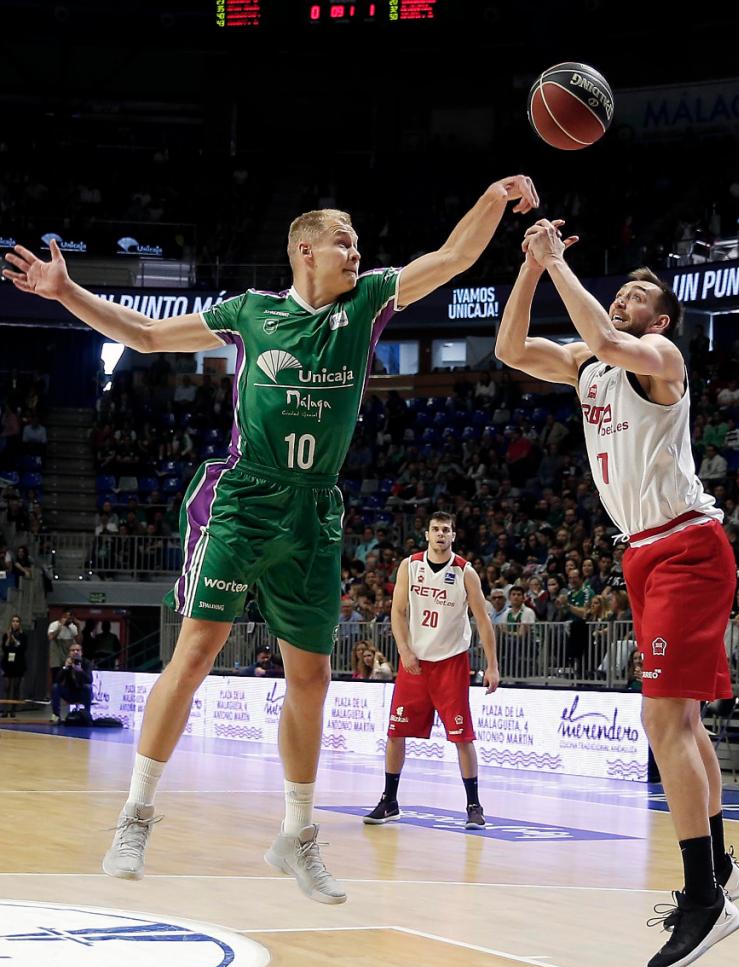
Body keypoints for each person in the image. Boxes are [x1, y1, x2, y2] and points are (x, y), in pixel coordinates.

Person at [4, 173, 539, 903]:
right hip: (244, 499)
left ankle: (296, 833)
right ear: (304, 251)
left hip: (313, 509)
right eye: (342, 243)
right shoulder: (250, 311)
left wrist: (491, 198)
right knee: (192, 655)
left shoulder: (368, 304)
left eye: (357, 243)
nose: (356, 253)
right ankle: (135, 814)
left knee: (311, 679)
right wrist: (66, 292)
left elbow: (448, 258)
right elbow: (151, 335)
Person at [495, 216, 739, 967]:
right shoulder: (586, 363)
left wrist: (555, 262)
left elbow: (608, 343)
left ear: (660, 319)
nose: (624, 300)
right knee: (685, 720)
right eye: (622, 291)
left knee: (659, 718)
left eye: (638, 296)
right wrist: (530, 268)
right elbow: (511, 349)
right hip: (642, 554)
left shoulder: (659, 358)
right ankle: (723, 863)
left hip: (685, 546)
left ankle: (704, 897)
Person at [363, 511, 500, 830]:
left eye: (446, 530)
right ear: (427, 534)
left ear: (454, 535)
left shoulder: (465, 572)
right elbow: (397, 612)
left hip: (451, 662)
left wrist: (492, 666)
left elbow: (482, 620)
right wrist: (404, 650)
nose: (441, 534)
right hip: (415, 663)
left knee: (462, 737)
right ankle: (390, 800)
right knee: (395, 733)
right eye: (436, 529)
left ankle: (474, 805)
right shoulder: (409, 566)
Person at [50, 642, 94, 724]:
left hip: (82, 693)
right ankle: (56, 716)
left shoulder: (86, 663)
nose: (75, 652)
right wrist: (65, 667)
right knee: (55, 687)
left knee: (87, 687)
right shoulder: (66, 662)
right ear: (69, 653)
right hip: (69, 692)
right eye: (73, 650)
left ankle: (87, 715)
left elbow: (89, 680)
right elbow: (57, 680)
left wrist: (80, 671)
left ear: (81, 652)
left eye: (78, 650)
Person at [47, 608, 80, 697]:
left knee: (69, 675)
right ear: (63, 616)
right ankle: (53, 695)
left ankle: (68, 696)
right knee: (56, 675)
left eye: (71, 618)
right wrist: (60, 626)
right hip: (56, 651)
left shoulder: (72, 627)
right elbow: (50, 637)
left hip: (67, 652)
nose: (69, 620)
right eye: (67, 617)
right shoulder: (54, 625)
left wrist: (78, 627)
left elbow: (79, 641)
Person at [1, 615, 27, 718]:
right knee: (6, 686)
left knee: (16, 687)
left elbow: (22, 648)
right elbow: (4, 648)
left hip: (18, 663)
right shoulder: (6, 634)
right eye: (13, 621)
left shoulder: (23, 635)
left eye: (17, 621)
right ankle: (5, 709)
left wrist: (13, 639)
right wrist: (8, 638)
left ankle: (13, 709)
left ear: (20, 623)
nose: (15, 623)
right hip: (8, 662)